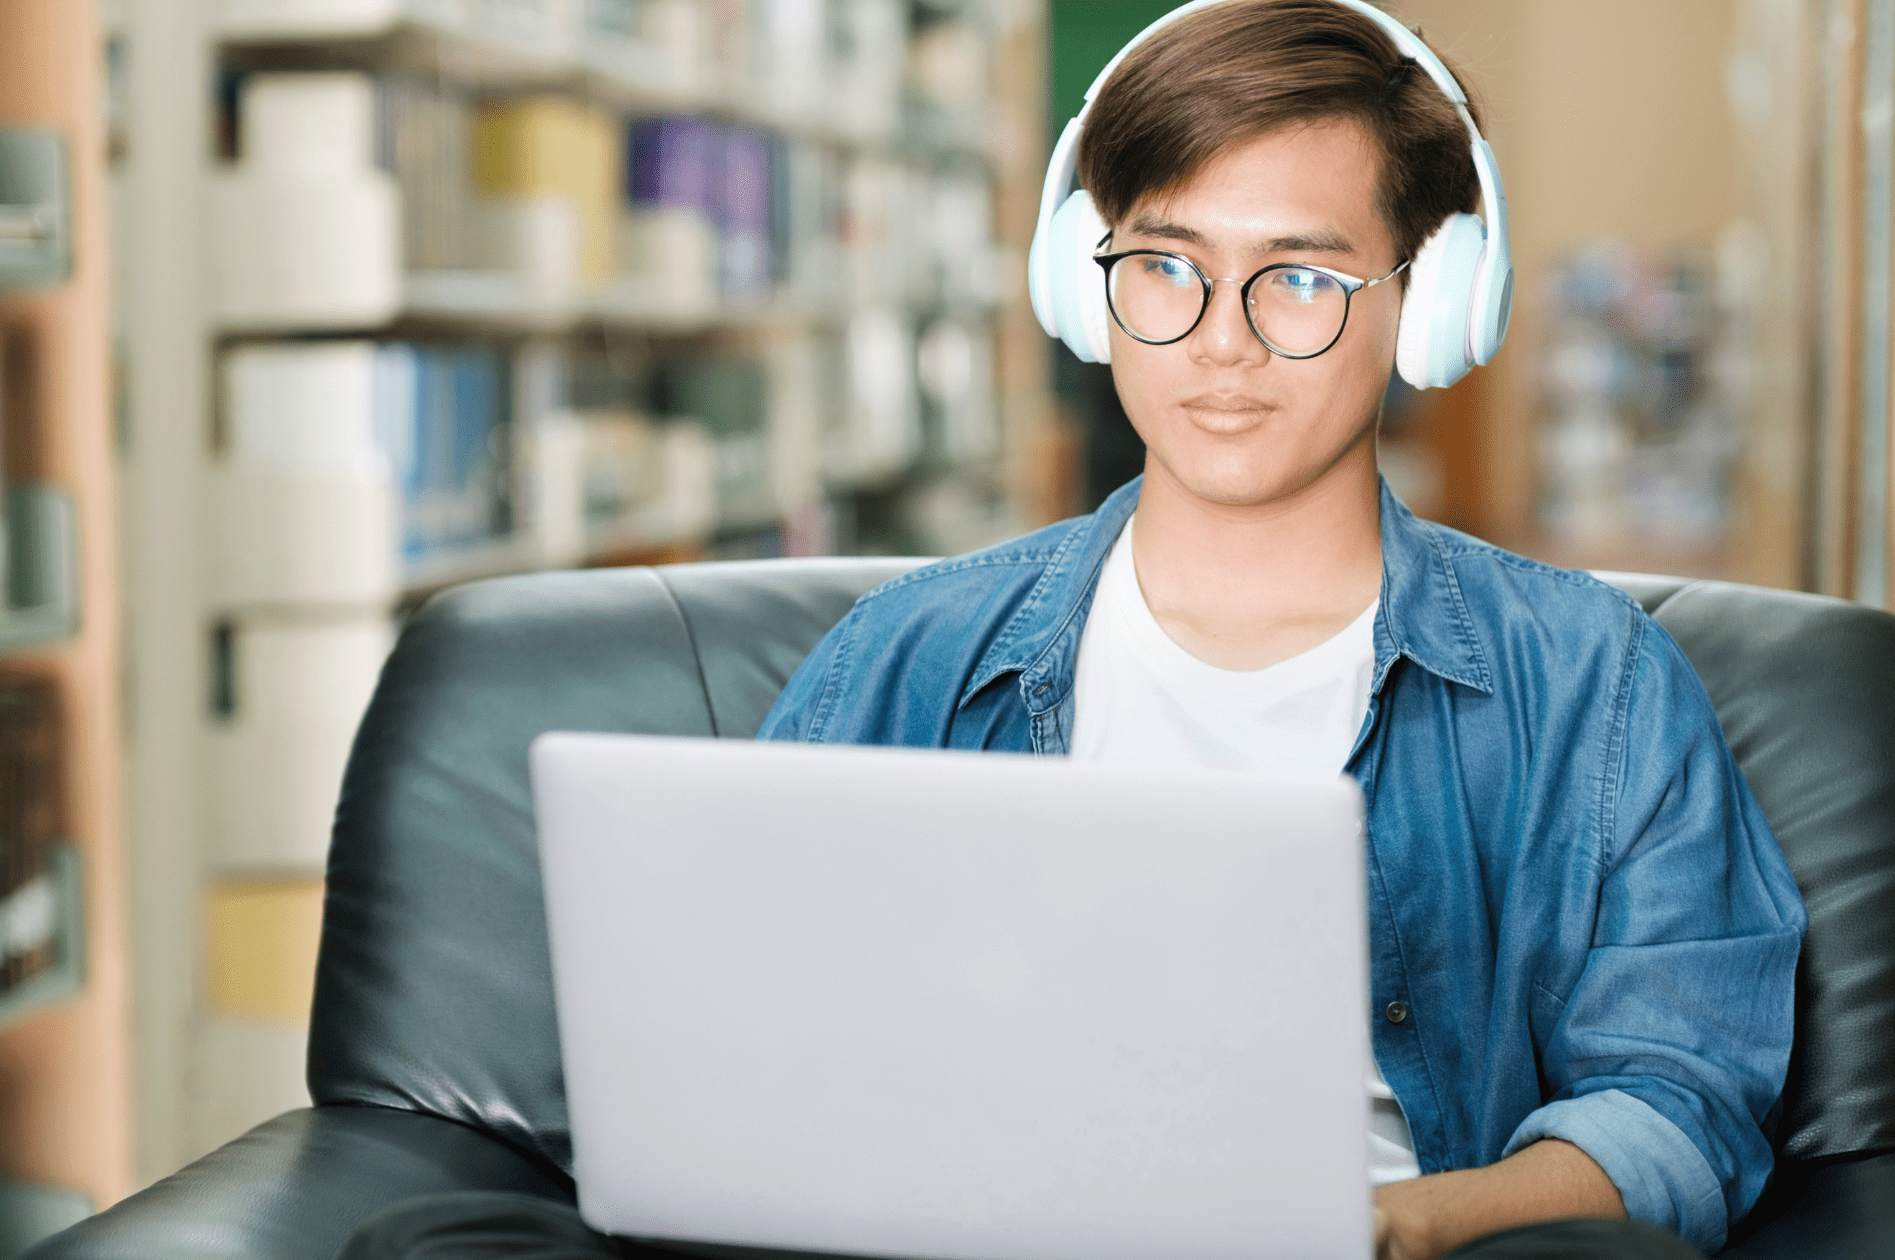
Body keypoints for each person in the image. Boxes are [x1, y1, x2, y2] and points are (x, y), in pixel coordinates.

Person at [340, 2, 1804, 1258]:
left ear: (1432, 303)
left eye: (1299, 276)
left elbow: (1677, 1105)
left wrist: (1411, 1221)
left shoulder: (1589, 684)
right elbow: (745, 1053)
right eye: (1164, 266)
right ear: (1082, 286)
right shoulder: (909, 652)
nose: (1219, 341)